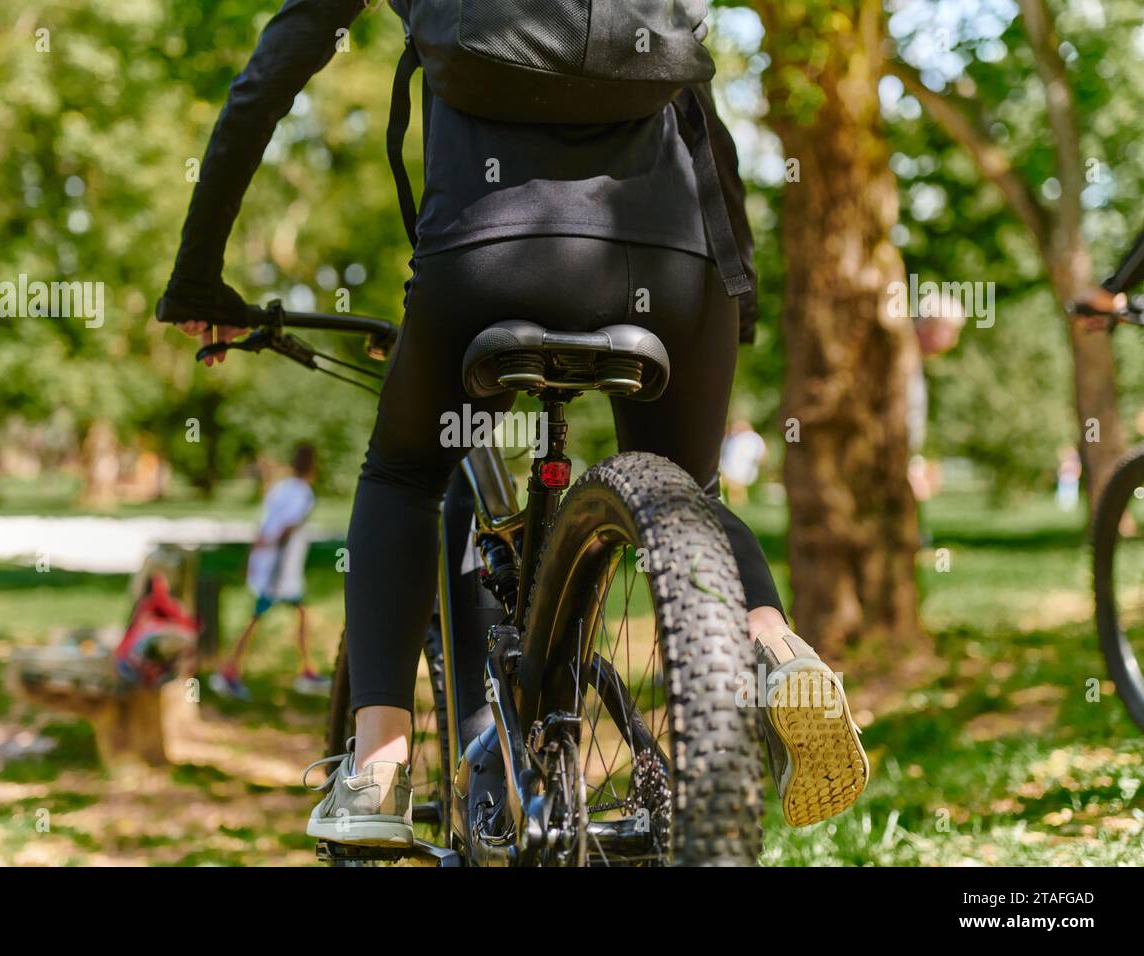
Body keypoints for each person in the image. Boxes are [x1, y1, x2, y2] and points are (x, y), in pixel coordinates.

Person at [158, 0, 868, 847]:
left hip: (489, 258)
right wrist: (736, 299)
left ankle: (379, 766)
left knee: (407, 474)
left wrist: (198, 277)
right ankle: (774, 645)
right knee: (693, 492)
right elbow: (700, 112)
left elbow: (269, 77)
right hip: (679, 265)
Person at [210, 443, 326, 699]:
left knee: (299, 614)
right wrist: (272, 549)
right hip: (279, 570)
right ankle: (228, 670)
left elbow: (264, 525)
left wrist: (255, 554)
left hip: (271, 564)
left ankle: (307, 669)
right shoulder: (303, 493)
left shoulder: (281, 488)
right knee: (256, 618)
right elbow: (286, 527)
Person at [720, 419, 767, 506]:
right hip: (730, 468)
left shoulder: (753, 439)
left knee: (735, 491)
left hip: (740, 471)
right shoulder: (736, 438)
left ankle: (738, 506)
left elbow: (761, 456)